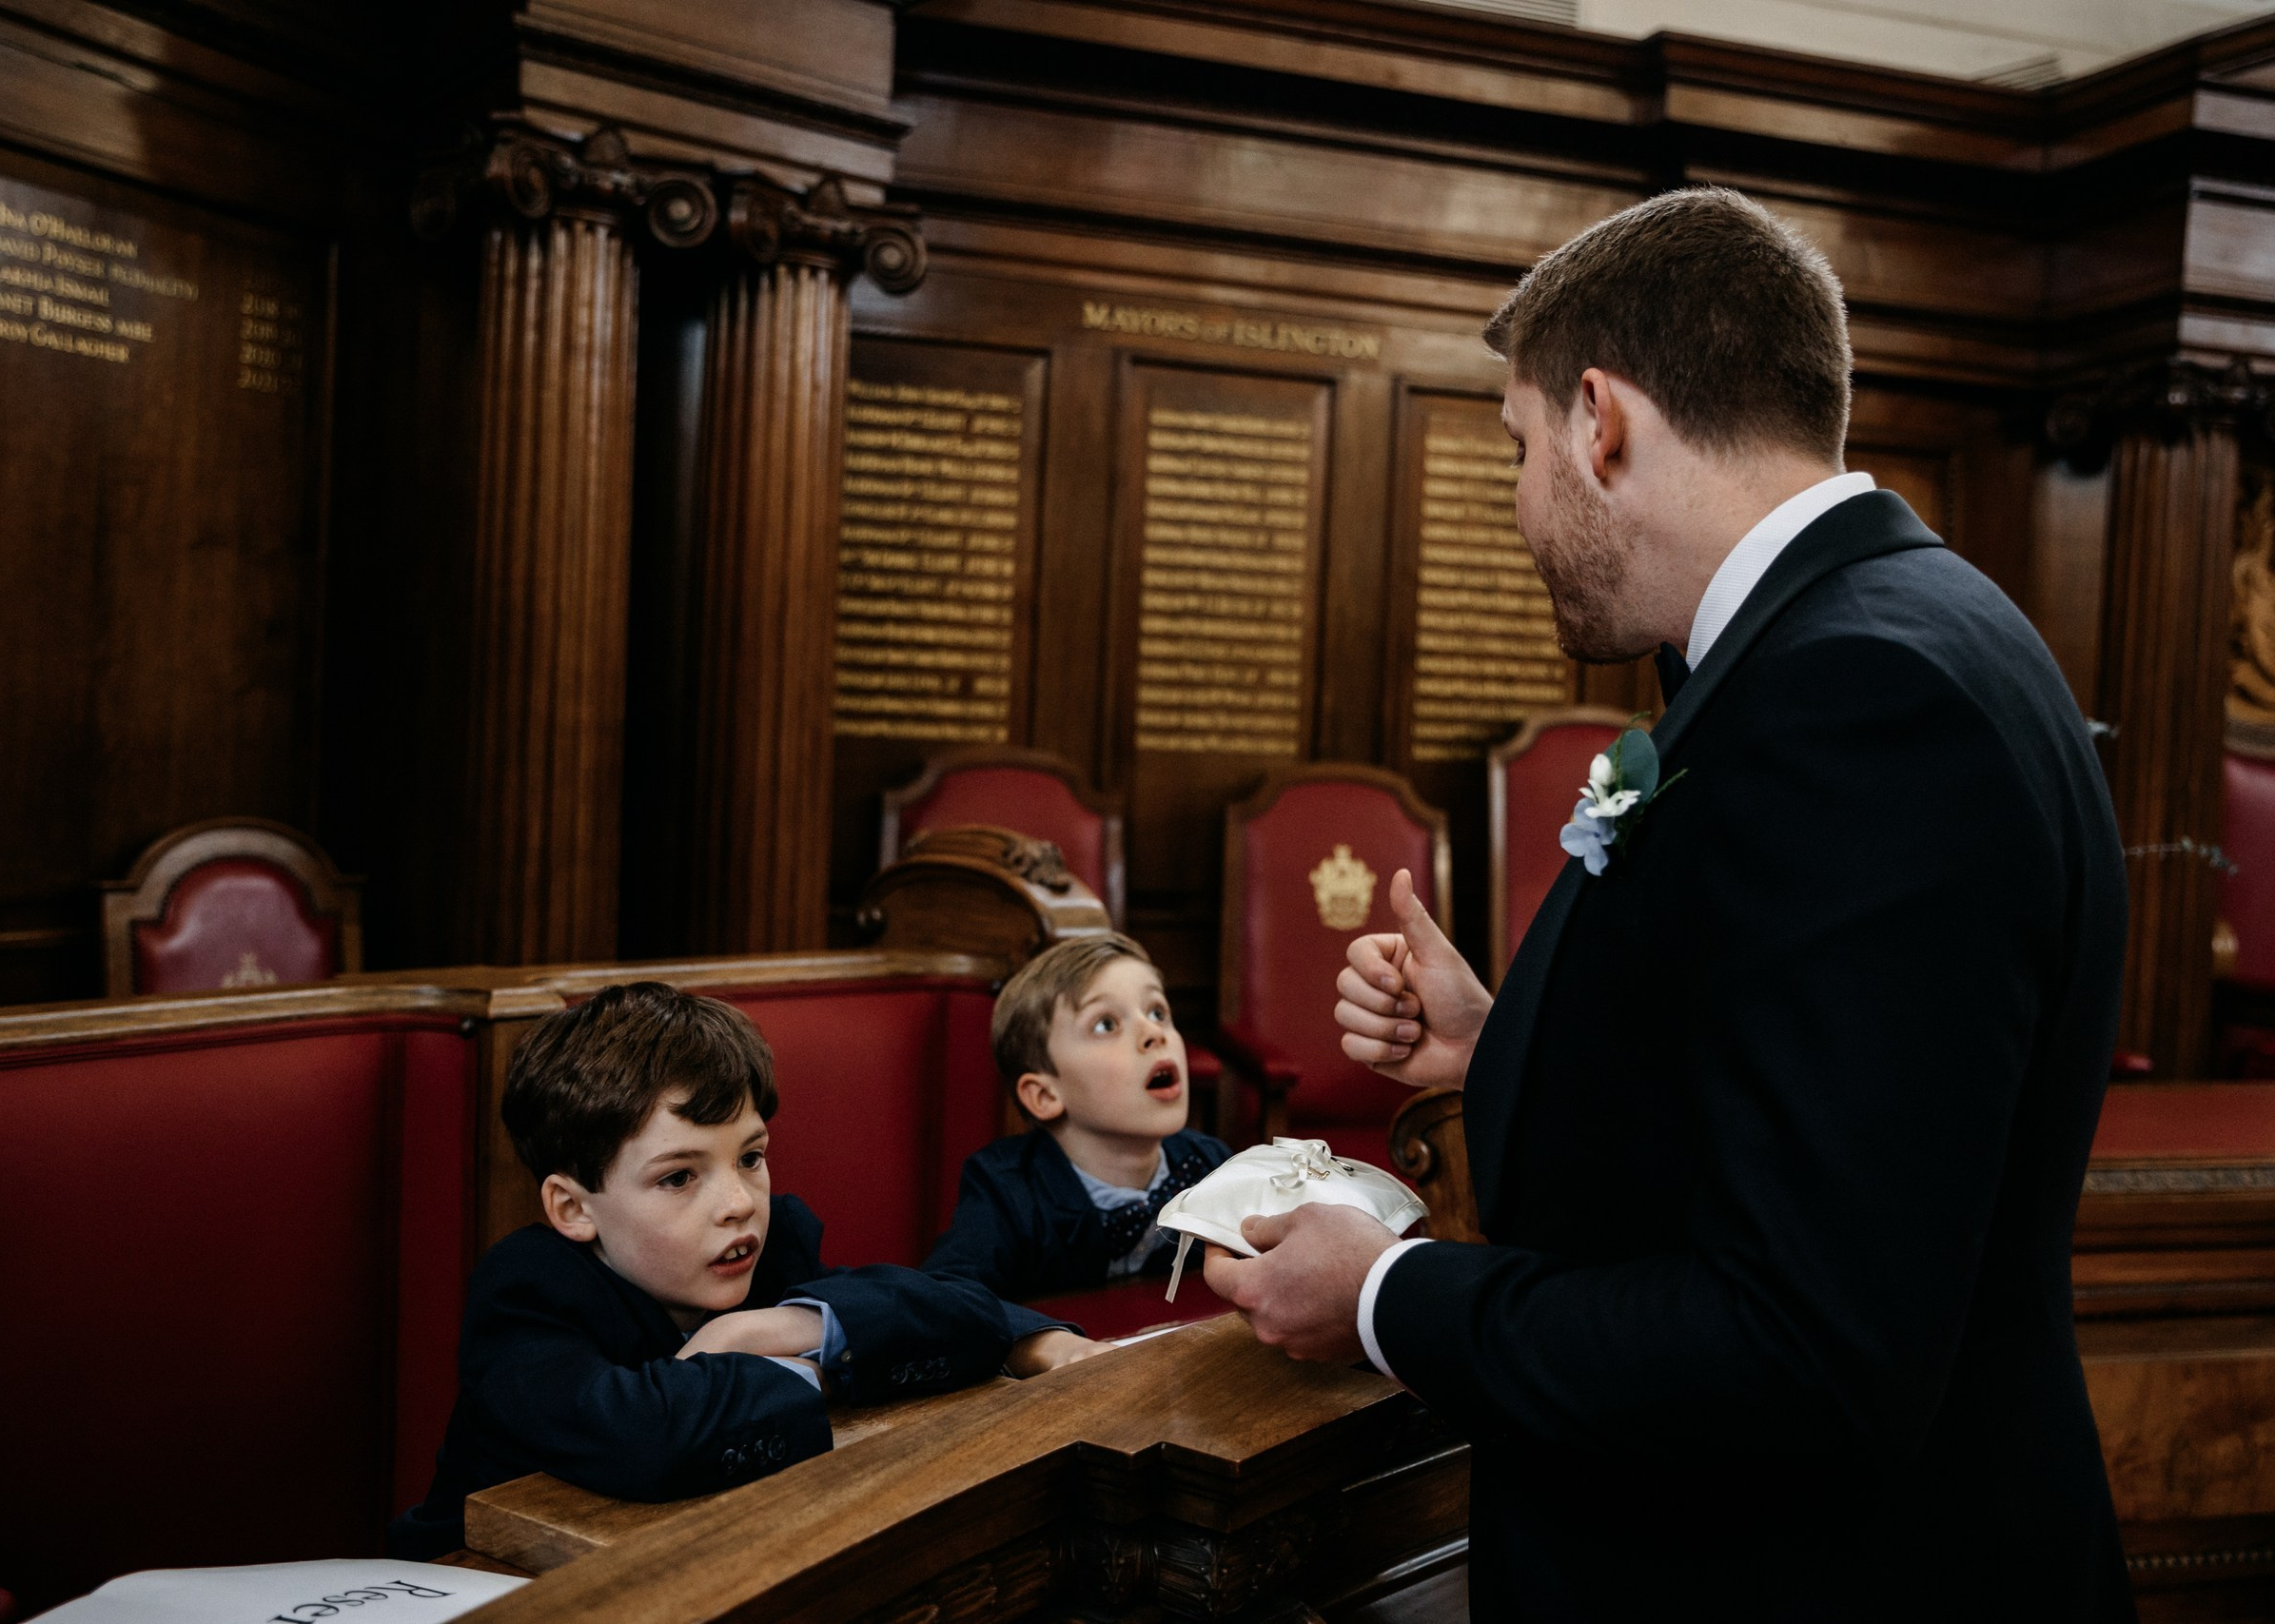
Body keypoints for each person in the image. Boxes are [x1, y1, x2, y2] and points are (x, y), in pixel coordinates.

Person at [1203, 188, 2133, 1620]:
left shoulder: (1858, 700)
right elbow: (1818, 1091)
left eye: (1516, 449)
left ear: (1600, 419)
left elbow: (1804, 1342)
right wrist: (1506, 1040)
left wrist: (1387, 1290)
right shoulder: (1911, 625)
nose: (1517, 509)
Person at [390, 982, 1090, 1558]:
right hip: (484, 1585)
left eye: (750, 1156)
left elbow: (950, 1306)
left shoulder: (776, 1241)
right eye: (678, 1177)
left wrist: (774, 1326)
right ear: (575, 1208)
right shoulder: (526, 1292)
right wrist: (818, 1363)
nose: (737, 1204)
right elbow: (647, 1435)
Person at [925, 932, 1232, 1302]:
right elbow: (946, 1297)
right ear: (1046, 1095)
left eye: (1157, 1012)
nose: (1154, 1033)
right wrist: (1040, 1342)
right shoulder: (1006, 1189)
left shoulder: (1210, 1166)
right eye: (1106, 1024)